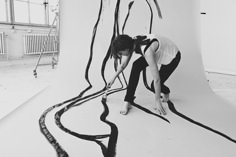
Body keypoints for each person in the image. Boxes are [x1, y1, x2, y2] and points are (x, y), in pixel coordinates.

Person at [107, 34, 181, 115]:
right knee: (136, 65)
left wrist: (157, 101)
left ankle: (166, 92)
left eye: (121, 53)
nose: (121, 55)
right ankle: (128, 100)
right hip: (159, 51)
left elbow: (157, 79)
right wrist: (113, 78)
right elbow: (124, 64)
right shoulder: (132, 42)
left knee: (154, 85)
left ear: (127, 49)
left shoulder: (147, 52)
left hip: (173, 57)